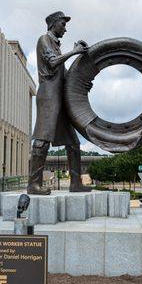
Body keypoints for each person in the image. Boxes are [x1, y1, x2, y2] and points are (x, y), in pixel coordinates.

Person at [27, 11, 92, 195]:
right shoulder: (44, 40)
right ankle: (33, 184)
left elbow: (65, 78)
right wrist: (74, 52)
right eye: (63, 24)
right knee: (42, 140)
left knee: (73, 143)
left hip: (60, 99)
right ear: (53, 24)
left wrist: (83, 84)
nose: (65, 28)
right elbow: (53, 63)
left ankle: (75, 183)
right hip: (48, 96)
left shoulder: (56, 45)